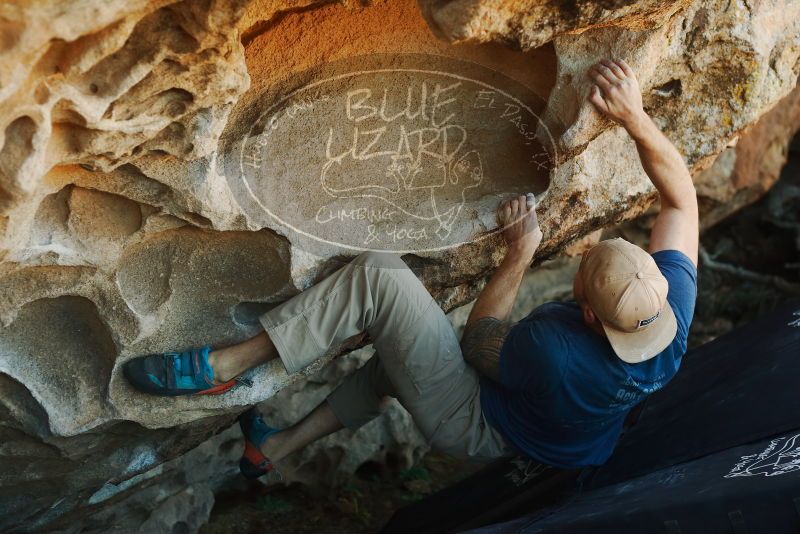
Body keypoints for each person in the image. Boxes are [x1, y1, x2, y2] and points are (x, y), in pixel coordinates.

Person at [124, 58, 698, 478]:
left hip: (480, 427)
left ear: (590, 314)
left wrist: (520, 252)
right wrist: (635, 117)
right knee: (402, 357)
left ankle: (230, 363)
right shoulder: (668, 316)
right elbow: (681, 201)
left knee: (381, 275)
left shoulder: (557, 351)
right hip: (560, 436)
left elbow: (478, 341)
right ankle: (269, 451)